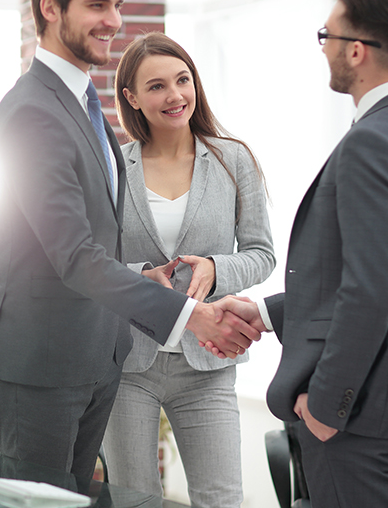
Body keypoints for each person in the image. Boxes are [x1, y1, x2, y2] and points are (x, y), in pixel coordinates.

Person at [0, 0, 262, 484]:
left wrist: (147, 277)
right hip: (41, 361)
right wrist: (190, 315)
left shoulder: (82, 104)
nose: (113, 21)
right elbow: (75, 256)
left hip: (95, 356)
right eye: (97, 6)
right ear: (50, 10)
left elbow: (95, 242)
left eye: (118, 5)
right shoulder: (33, 113)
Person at [212, 0, 388, 508]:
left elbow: (371, 291)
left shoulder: (372, 143)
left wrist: (329, 405)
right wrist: (267, 310)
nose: (323, 48)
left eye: (327, 36)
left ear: (356, 51)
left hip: (359, 417)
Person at [100, 33, 275, 507]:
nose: (175, 95)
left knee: (221, 499)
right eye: (156, 86)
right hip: (130, 361)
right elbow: (96, 260)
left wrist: (217, 268)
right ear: (131, 98)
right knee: (135, 500)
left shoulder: (233, 159)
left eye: (183, 80)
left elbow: (262, 253)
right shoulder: (115, 167)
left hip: (209, 361)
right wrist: (140, 275)